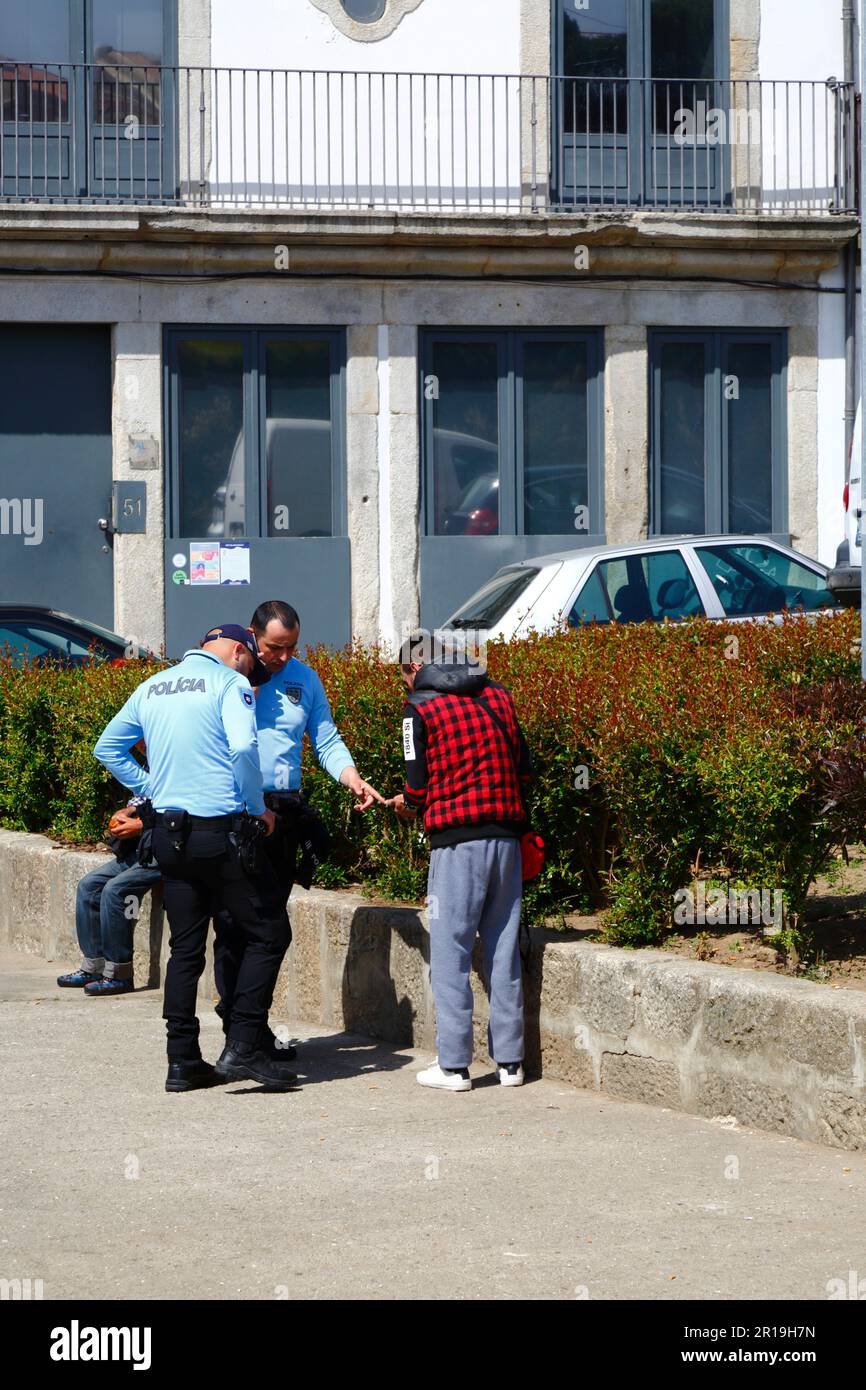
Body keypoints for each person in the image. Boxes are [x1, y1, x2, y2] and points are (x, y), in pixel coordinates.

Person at [93, 624, 296, 1093]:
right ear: (238, 651)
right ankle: (244, 1044)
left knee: (184, 948)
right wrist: (255, 807)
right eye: (253, 660)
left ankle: (182, 1060)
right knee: (268, 931)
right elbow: (245, 747)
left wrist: (153, 788)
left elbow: (107, 748)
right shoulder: (230, 683)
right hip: (220, 833)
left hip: (168, 835)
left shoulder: (152, 685)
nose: (253, 671)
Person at [213, 599, 385, 1058]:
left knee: (270, 923)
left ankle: (249, 1029)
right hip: (235, 813)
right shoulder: (227, 678)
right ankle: (239, 1023)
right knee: (235, 926)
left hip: (283, 813)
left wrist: (351, 777)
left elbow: (324, 738)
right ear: (252, 635)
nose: (282, 657)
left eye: (291, 648)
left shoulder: (303, 679)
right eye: (273, 647)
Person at [388, 633, 532, 1092]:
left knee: (450, 950)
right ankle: (511, 1063)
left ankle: (453, 1066)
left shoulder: (418, 711)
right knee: (503, 948)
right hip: (507, 839)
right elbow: (525, 766)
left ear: (413, 670)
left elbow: (416, 786)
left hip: (455, 845)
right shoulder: (500, 696)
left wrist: (406, 804)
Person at [57, 796, 160, 997]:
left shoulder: (193, 769)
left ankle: (119, 975)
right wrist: (126, 812)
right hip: (142, 848)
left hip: (166, 851)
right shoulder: (156, 766)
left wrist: (141, 825)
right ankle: (94, 967)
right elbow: (145, 794)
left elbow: (186, 813)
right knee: (89, 886)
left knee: (115, 890)